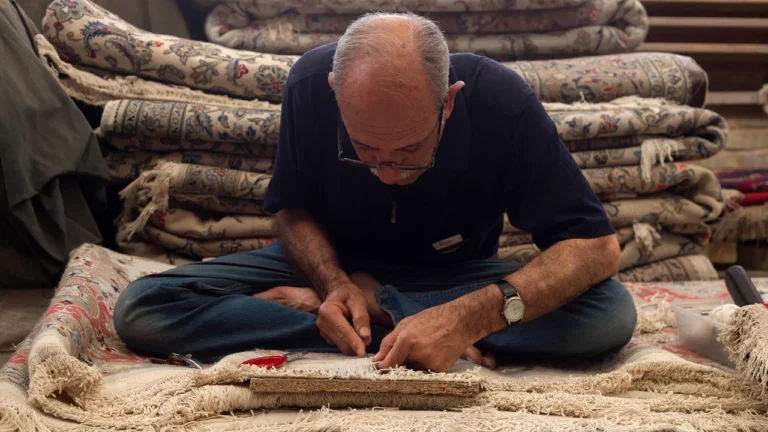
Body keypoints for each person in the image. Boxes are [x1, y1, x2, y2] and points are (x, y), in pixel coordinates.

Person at [113, 12, 637, 373]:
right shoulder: (308, 85)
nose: (387, 173)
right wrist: (334, 283)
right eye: (364, 150)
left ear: (448, 104)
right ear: (336, 94)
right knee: (145, 307)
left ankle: (377, 319)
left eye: (410, 152)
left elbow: (594, 246)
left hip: (451, 280)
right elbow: (292, 209)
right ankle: (365, 319)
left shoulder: (503, 104)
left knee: (609, 314)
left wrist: (466, 317)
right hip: (331, 270)